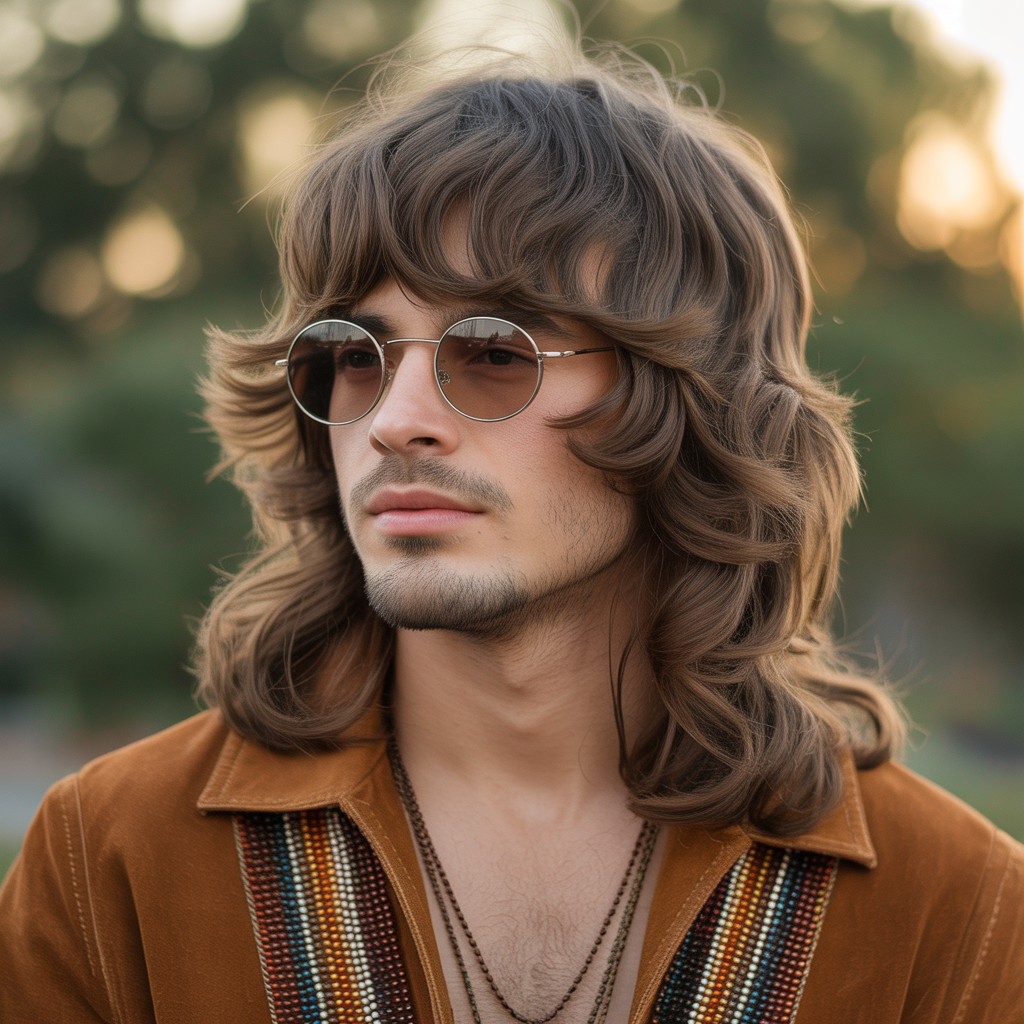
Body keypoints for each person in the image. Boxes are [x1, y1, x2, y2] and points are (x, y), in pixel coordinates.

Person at [1, 46, 1022, 1024]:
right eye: (353, 353)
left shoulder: (956, 909)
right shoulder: (114, 863)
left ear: (694, 407)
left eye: (492, 350)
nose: (393, 416)